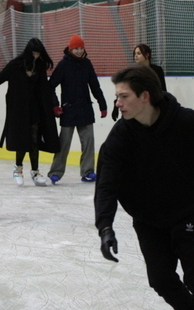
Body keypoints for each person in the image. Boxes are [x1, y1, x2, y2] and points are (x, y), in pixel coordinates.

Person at [95, 64, 194, 309]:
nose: (118, 102)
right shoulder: (120, 137)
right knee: (160, 280)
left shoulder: (186, 123)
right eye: (117, 96)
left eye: (124, 96)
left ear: (145, 96)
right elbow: (106, 183)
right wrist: (105, 226)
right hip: (149, 220)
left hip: (188, 213)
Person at [0, 38, 60, 187]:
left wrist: (53, 104)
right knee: (22, 139)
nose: (35, 56)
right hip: (18, 110)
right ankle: (18, 168)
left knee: (34, 139)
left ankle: (35, 171)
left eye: (38, 53)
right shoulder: (16, 65)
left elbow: (45, 88)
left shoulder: (40, 66)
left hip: (35, 109)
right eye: (33, 53)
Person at [47, 35, 107, 184]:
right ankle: (55, 172)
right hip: (68, 110)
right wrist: (55, 105)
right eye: (76, 49)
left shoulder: (87, 64)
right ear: (70, 49)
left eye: (81, 48)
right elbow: (50, 86)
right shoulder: (63, 65)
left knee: (88, 142)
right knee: (64, 143)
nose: (79, 51)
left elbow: (94, 85)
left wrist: (102, 104)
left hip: (85, 109)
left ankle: (87, 172)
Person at [112, 44, 167, 121]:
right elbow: (124, 90)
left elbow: (162, 89)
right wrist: (115, 107)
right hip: (138, 106)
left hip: (154, 106)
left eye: (139, 53)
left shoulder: (157, 70)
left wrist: (163, 107)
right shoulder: (132, 71)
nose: (136, 56)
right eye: (135, 54)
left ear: (147, 55)